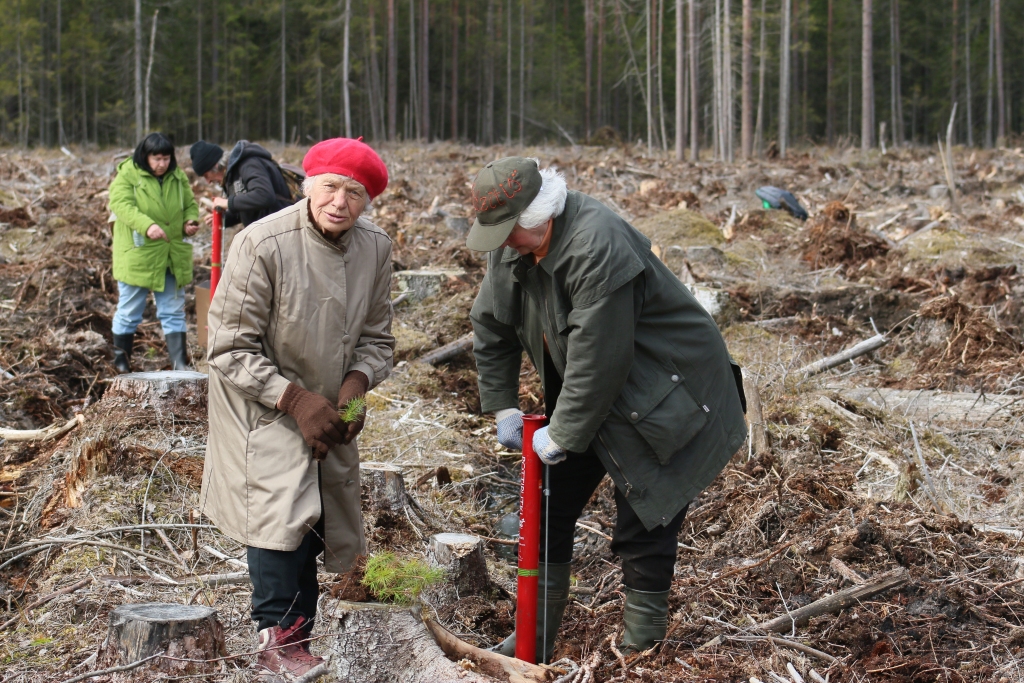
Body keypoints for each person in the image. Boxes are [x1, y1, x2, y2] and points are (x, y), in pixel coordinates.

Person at [467, 157, 748, 662]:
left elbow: (602, 357)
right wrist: (503, 406)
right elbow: (491, 326)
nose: (504, 241)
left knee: (646, 514)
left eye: (511, 230)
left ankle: (640, 650)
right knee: (547, 506)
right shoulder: (511, 244)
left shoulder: (597, 241)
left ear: (543, 214)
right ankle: (533, 637)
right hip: (596, 388)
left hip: (668, 390)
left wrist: (564, 433)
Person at [199, 138, 394, 680]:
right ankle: (277, 640)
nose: (340, 201)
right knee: (278, 515)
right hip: (262, 403)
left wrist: (355, 384)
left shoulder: (375, 247)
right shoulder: (263, 242)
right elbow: (228, 346)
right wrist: (294, 399)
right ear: (308, 185)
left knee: (321, 515)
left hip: (328, 404)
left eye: (355, 193)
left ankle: (301, 634)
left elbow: (379, 337)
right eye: (331, 186)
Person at [108, 132, 200, 372]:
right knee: (129, 311)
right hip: (137, 254)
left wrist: (189, 220)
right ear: (145, 157)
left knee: (173, 310)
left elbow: (190, 203)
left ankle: (180, 363)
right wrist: (147, 226)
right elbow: (121, 205)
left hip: (171, 254)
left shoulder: (177, 177)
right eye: (157, 159)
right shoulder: (128, 175)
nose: (162, 164)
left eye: (166, 158)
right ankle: (121, 363)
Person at [189, 139, 293, 229]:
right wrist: (223, 219)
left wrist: (227, 203)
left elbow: (264, 195)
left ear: (216, 166)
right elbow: (247, 207)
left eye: (206, 175)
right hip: (267, 235)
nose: (208, 181)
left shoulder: (249, 164)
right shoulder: (231, 176)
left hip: (283, 231)